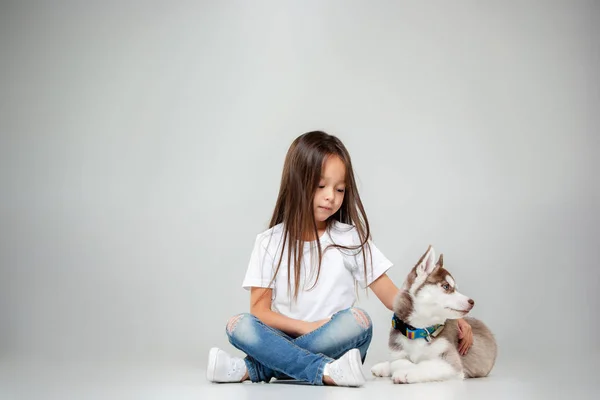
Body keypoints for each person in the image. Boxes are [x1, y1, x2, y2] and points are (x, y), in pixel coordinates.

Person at [206, 131, 473, 387]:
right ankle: (324, 371)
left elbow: (395, 299)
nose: (330, 197)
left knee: (359, 321)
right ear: (297, 183)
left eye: (340, 189)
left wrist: (445, 314)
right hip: (290, 341)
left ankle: (253, 368)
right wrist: (307, 327)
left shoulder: (350, 239)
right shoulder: (269, 242)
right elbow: (260, 312)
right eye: (321, 186)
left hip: (337, 344)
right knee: (239, 325)